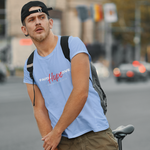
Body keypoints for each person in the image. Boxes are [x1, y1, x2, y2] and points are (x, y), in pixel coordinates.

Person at [21, 1, 118, 150]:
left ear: (50, 22)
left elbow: (81, 93)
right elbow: (39, 110)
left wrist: (56, 132)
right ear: (24, 29)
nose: (38, 22)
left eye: (41, 17)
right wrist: (51, 143)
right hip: (63, 141)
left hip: (95, 135)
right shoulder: (30, 66)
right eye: (31, 20)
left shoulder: (71, 45)